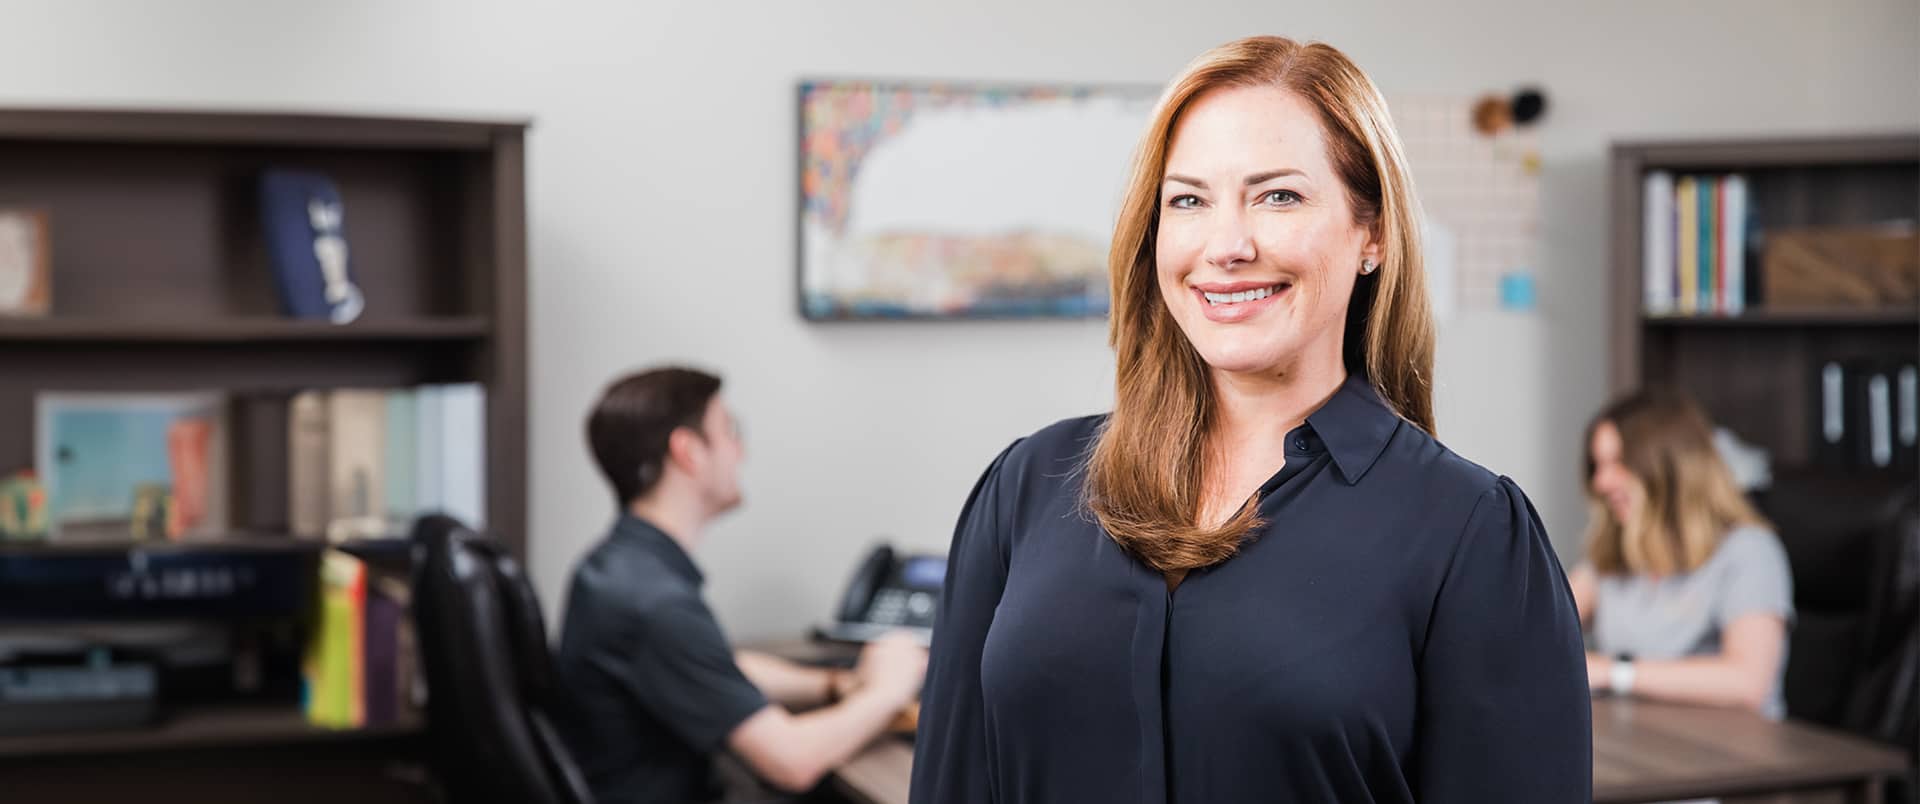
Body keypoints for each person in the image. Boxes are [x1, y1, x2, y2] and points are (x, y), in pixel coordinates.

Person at [910, 35, 1590, 804]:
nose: (1226, 246)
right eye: (1189, 200)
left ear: (1372, 235)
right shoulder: (1027, 486)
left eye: (1279, 196)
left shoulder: (1471, 535)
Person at [555, 367, 927, 804]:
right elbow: (792, 762)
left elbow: (715, 666)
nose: (741, 452)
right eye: (731, 432)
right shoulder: (656, 604)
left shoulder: (616, 567)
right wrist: (889, 691)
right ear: (689, 451)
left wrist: (834, 684)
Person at [1569, 389, 1794, 718]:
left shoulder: (1750, 551)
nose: (1601, 482)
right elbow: (1545, 620)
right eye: (1598, 466)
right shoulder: (1614, 553)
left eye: (1617, 463)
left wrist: (1613, 672)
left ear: (1670, 467)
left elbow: (1748, 683)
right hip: (1643, 740)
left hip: (1733, 754)